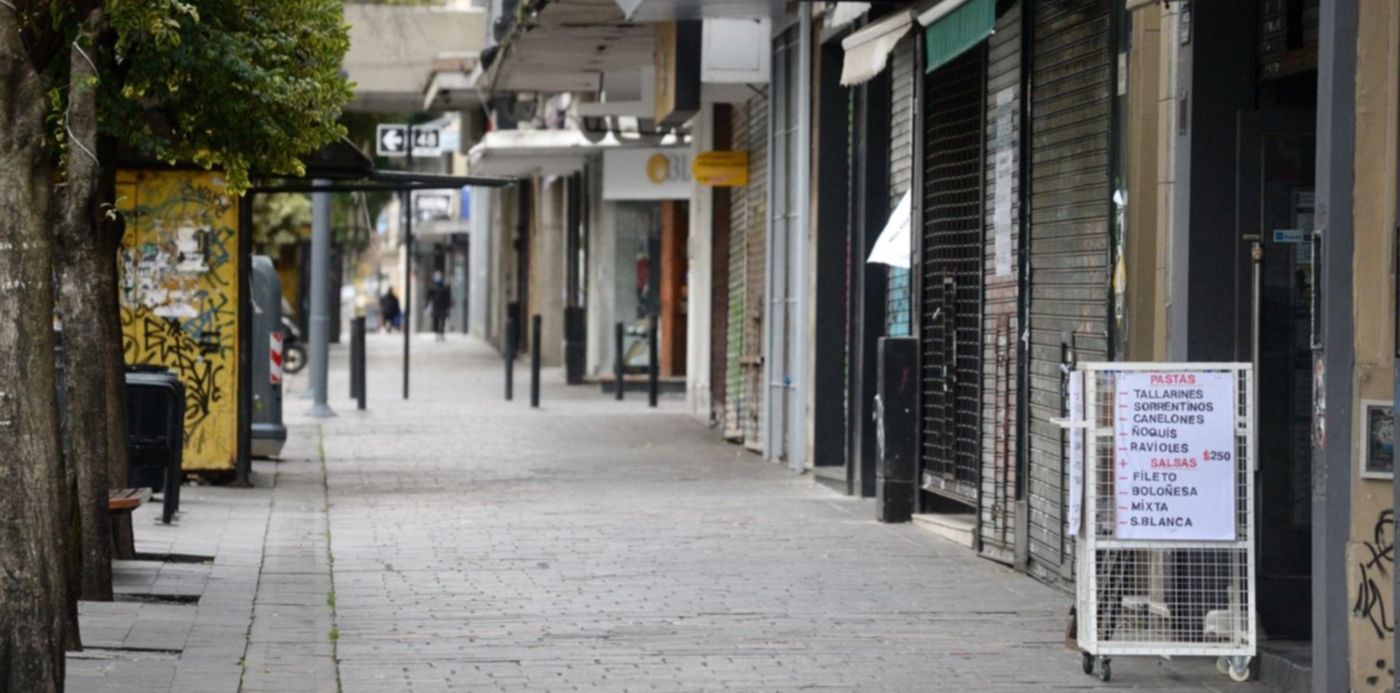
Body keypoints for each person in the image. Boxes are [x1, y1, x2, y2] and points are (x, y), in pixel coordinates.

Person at [426, 271, 452, 341]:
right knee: (436, 320)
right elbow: (428, 297)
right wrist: (427, 305)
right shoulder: (432, 287)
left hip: (443, 306)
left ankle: (442, 333)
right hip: (435, 306)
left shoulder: (444, 287)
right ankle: (437, 333)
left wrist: (448, 306)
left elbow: (447, 297)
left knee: (442, 320)